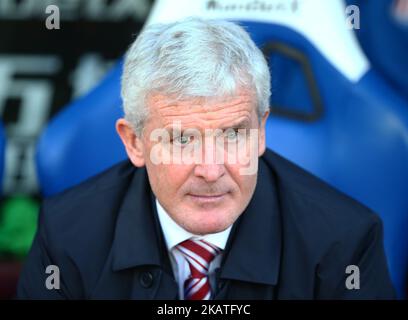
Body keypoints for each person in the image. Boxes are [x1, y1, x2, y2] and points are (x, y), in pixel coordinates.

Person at [17, 18, 395, 299]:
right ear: (134, 142)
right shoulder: (66, 232)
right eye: (182, 140)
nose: (212, 170)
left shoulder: (345, 240)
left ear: (261, 132)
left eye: (233, 135)